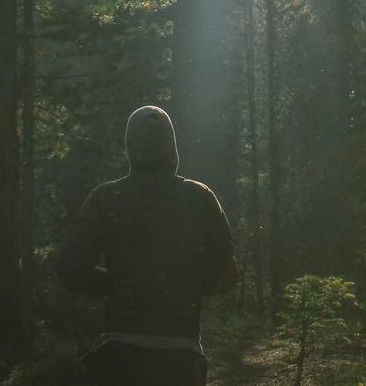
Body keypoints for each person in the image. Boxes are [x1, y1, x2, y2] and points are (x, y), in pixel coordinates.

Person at [56, 105, 237, 386]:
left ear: (130, 147)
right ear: (172, 146)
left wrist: (109, 284)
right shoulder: (199, 197)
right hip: (180, 354)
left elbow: (69, 269)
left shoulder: (105, 198)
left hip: (120, 354)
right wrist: (186, 285)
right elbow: (226, 276)